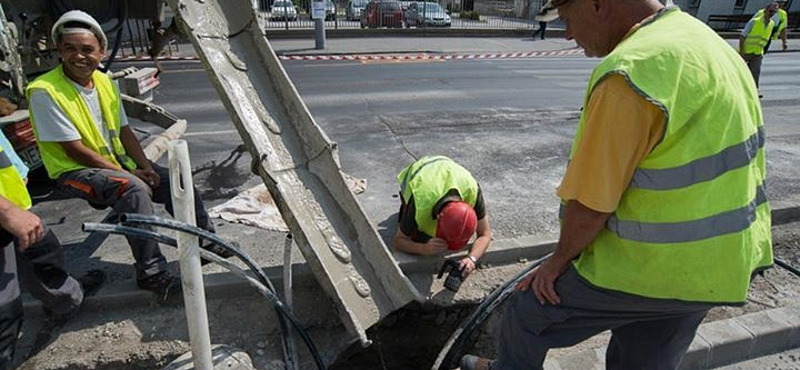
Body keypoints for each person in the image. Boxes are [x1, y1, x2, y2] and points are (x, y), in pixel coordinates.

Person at [460, 1, 772, 370]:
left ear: (597, 5)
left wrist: (558, 262)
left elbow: (592, 203)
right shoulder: (712, 46)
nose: (569, 34)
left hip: (647, 268)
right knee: (642, 355)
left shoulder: (631, 73)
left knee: (528, 312)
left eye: (568, 19)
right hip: (718, 270)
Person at [26, 10, 231, 300]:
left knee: (175, 178)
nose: (79, 56)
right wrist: (129, 174)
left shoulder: (105, 83)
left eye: (87, 49)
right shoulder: (45, 90)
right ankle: (151, 274)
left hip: (113, 163)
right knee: (133, 190)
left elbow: (124, 132)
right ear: (59, 50)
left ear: (101, 51)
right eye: (70, 48)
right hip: (73, 171)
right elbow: (73, 149)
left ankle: (205, 242)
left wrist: (145, 166)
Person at [0, 131, 104, 324]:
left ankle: (65, 298)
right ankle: (65, 299)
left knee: (39, 249)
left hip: (12, 205)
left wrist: (17, 170)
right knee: (6, 310)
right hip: (7, 212)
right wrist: (6, 211)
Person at [393, 155, 491, 278]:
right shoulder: (420, 200)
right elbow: (398, 241)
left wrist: (472, 258)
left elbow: (485, 235)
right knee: (419, 237)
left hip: (448, 169)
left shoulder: (472, 190)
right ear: (438, 217)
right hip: (419, 171)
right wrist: (424, 249)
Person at [740, 2, 778, 88]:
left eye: (774, 12)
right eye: (771, 11)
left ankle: (754, 92)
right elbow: (742, 36)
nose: (772, 14)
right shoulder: (754, 22)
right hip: (746, 51)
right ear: (765, 11)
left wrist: (762, 51)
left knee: (755, 72)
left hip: (757, 53)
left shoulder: (771, 24)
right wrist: (742, 51)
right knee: (738, 70)